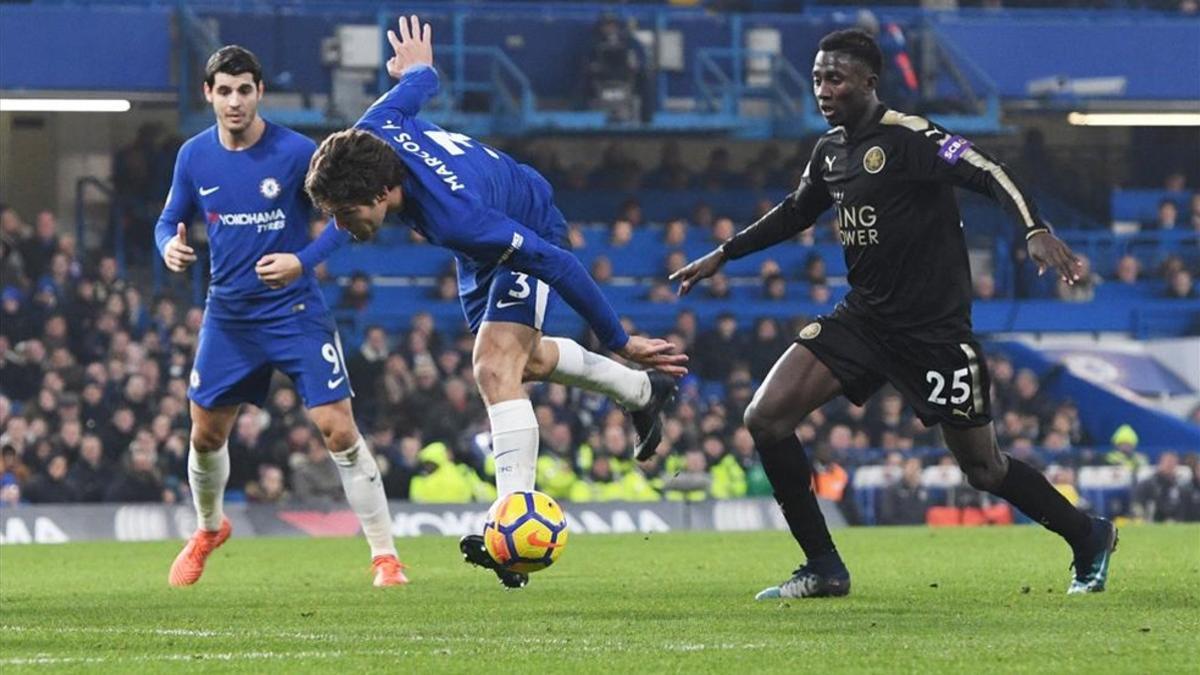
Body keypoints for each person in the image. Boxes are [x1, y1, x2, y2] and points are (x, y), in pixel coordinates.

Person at [671, 29, 1116, 599]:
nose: (823, 89)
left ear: (868, 82)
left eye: (834, 78)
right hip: (864, 320)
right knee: (766, 417)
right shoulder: (829, 152)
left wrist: (1034, 228)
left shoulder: (912, 136)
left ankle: (1088, 535)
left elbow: (988, 168)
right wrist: (723, 254)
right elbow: (794, 213)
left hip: (934, 334)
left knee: (983, 469)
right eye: (816, 78)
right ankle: (824, 567)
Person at [303, 16, 686, 590]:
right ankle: (640, 392)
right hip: (483, 228)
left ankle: (511, 532)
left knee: (493, 365)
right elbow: (422, 82)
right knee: (523, 363)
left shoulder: (459, 220)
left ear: (383, 193)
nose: (341, 227)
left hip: (523, 221)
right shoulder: (371, 128)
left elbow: (557, 263)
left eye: (345, 214)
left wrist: (620, 339)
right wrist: (415, 67)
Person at [154, 46, 406, 588]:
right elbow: (169, 218)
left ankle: (385, 557)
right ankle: (207, 528)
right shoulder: (194, 156)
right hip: (230, 315)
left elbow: (347, 216)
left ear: (259, 91)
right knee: (204, 435)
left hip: (293, 311)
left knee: (337, 428)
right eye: (224, 90)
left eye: (245, 89)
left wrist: (302, 260)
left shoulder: (296, 152)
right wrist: (166, 247)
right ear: (209, 94)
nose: (235, 101)